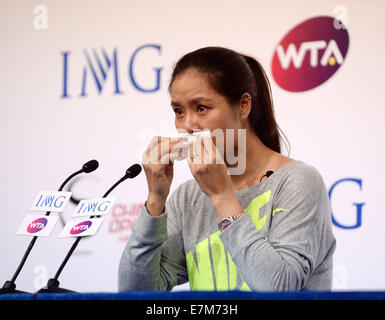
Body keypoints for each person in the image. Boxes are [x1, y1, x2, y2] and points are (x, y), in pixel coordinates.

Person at [118, 47, 336, 291]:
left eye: (201, 108)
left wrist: (222, 196)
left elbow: (279, 289)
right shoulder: (187, 197)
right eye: (179, 111)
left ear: (243, 105)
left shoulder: (298, 181)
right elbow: (134, 294)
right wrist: (155, 201)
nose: (187, 125)